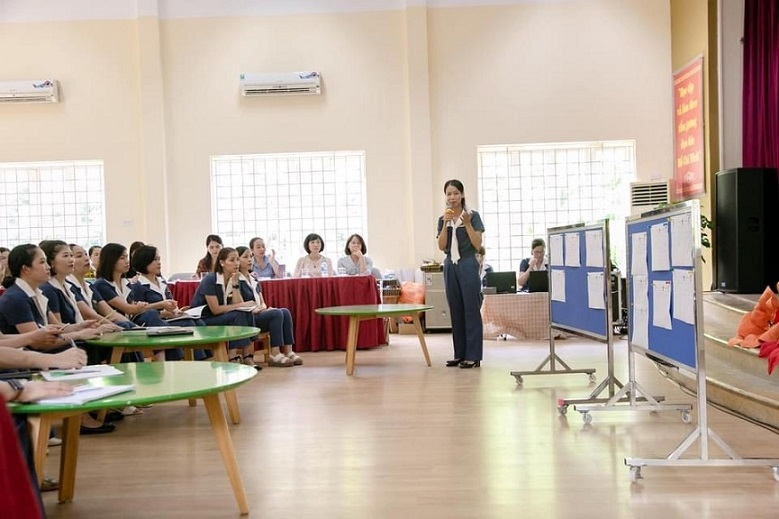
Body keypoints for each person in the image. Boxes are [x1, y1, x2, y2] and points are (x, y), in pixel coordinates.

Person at [91, 243, 180, 361]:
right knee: (151, 316)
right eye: (122, 258)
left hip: (131, 320)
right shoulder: (102, 284)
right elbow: (129, 309)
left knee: (170, 324)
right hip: (120, 322)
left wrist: (161, 310)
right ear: (111, 260)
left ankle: (176, 359)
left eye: (127, 257)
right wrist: (159, 305)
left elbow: (133, 307)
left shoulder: (126, 283)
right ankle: (164, 361)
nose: (127, 261)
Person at [436, 179, 485, 369]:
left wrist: (468, 225)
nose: (452, 197)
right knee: (455, 309)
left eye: (456, 193)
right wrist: (445, 224)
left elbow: (477, 244)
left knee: (471, 309)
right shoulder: (443, 219)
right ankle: (460, 354)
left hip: (467, 263)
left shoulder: (472, 216)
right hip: (450, 265)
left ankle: (473, 355)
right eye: (449, 194)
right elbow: (442, 246)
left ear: (462, 194)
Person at [189, 247, 259, 368]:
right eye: (232, 260)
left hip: (219, 316)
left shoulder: (233, 278)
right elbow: (215, 310)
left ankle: (247, 356)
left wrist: (235, 284)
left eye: (237, 259)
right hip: (203, 319)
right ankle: (232, 357)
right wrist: (241, 305)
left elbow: (238, 304)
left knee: (246, 312)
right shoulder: (210, 279)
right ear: (222, 263)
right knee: (238, 314)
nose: (236, 263)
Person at [236, 247, 300, 367]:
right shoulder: (236, 280)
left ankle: (289, 351)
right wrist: (256, 310)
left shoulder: (253, 278)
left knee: (285, 311)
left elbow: (262, 301)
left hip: (259, 312)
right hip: (248, 317)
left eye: (250, 256)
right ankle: (275, 354)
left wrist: (263, 308)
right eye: (245, 257)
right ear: (237, 260)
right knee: (276, 313)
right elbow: (238, 304)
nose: (250, 259)